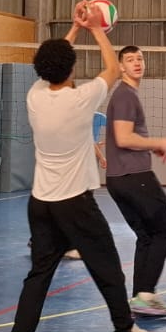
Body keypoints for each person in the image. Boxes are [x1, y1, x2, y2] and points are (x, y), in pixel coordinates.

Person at [1, 4, 160, 332]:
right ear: (72, 68)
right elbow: (111, 68)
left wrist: (73, 28)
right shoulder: (81, 99)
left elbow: (53, 60)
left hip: (40, 203)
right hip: (75, 204)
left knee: (38, 275)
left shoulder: (35, 96)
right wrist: (95, 28)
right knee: (108, 269)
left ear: (41, 70)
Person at [105, 45, 166, 317]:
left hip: (118, 179)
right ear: (121, 67)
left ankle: (141, 297)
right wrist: (160, 142)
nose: (137, 63)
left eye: (139, 58)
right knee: (163, 231)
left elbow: (126, 137)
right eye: (130, 59)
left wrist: (152, 147)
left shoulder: (126, 95)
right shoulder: (125, 95)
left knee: (147, 236)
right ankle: (146, 294)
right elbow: (123, 138)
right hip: (134, 176)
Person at [63, 112, 107, 261]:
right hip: (79, 161)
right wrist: (101, 156)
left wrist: (99, 149)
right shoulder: (79, 119)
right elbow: (88, 140)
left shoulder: (96, 117)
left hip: (77, 161)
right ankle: (72, 246)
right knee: (78, 204)